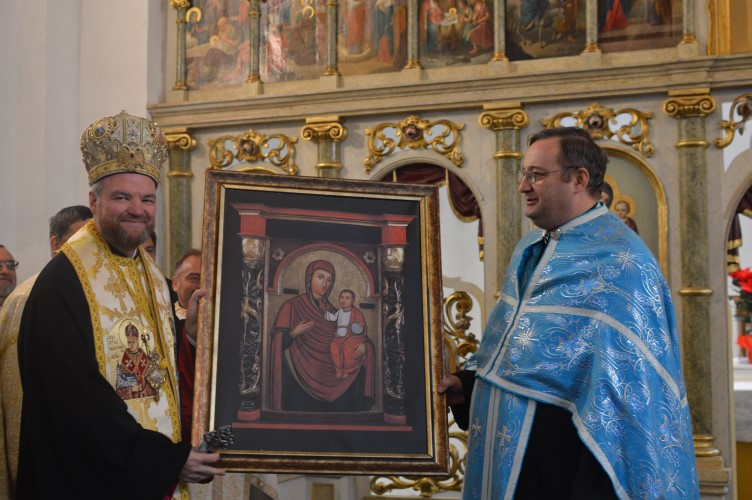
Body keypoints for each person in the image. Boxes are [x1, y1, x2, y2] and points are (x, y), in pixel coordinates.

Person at [438, 127, 698, 498]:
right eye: (524, 174)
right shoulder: (531, 248)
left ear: (579, 179)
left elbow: (627, 403)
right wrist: (468, 385)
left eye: (536, 175)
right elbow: (517, 354)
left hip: (568, 471)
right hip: (508, 463)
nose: (523, 187)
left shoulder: (623, 262)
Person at [16, 110, 223, 499]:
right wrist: (165, 460)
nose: (137, 209)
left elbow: (159, 372)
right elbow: (75, 401)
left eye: (147, 199)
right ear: (93, 202)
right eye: (122, 197)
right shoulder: (61, 284)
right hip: (91, 482)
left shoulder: (153, 277)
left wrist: (190, 337)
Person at [0, 205, 91, 498]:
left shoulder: (105, 293)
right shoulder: (30, 296)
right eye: (79, 241)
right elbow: (16, 393)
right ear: (56, 244)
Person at [269, 260, 375, 412]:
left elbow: (357, 333)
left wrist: (365, 346)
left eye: (329, 280)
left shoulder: (334, 312)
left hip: (338, 380)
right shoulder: (292, 306)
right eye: (320, 277)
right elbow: (277, 341)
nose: (325, 284)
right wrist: (293, 333)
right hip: (301, 380)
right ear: (309, 278)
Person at [172, 249, 202, 439]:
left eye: (206, 278)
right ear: (175, 284)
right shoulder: (162, 320)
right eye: (194, 278)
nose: (200, 286)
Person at [325, 289, 368, 379]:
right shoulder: (339, 312)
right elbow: (332, 317)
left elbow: (361, 328)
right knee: (333, 348)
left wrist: (358, 327)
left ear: (352, 300)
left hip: (350, 338)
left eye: (347, 298)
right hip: (338, 338)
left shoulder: (356, 313)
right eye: (341, 297)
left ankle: (347, 370)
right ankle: (339, 369)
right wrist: (324, 313)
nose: (343, 300)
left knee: (347, 349)